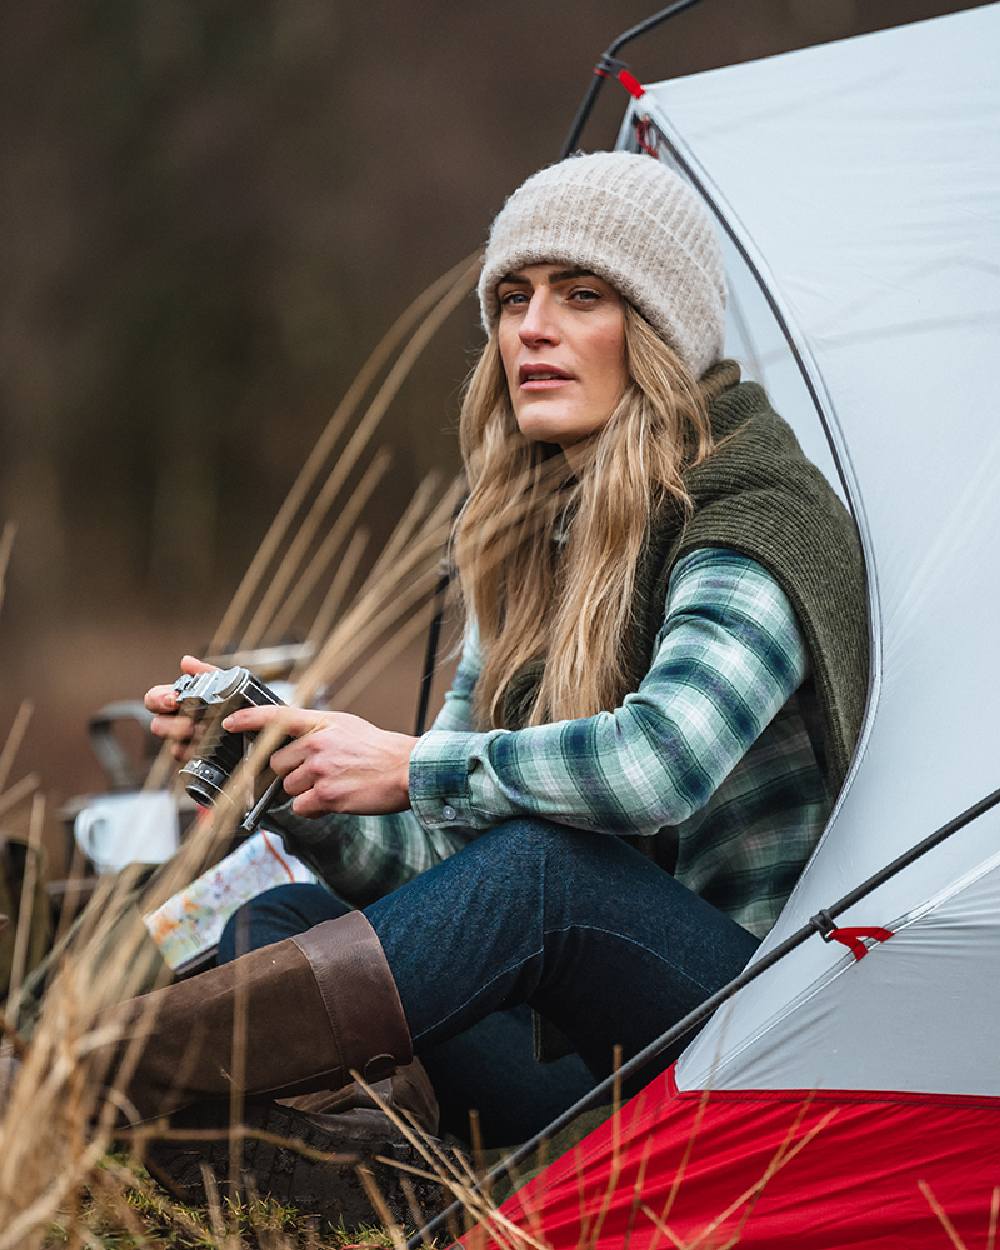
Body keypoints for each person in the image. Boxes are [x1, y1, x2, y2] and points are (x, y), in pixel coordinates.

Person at [111, 151, 868, 1200]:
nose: (531, 328)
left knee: (545, 871)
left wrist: (412, 759)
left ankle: (99, 1077)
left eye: (581, 295)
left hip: (757, 1049)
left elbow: (660, 762)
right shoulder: (529, 538)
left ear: (654, 332)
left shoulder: (756, 519)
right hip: (592, 1068)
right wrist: (294, 775)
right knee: (289, 924)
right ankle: (287, 1174)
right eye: (512, 298)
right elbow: (444, 861)